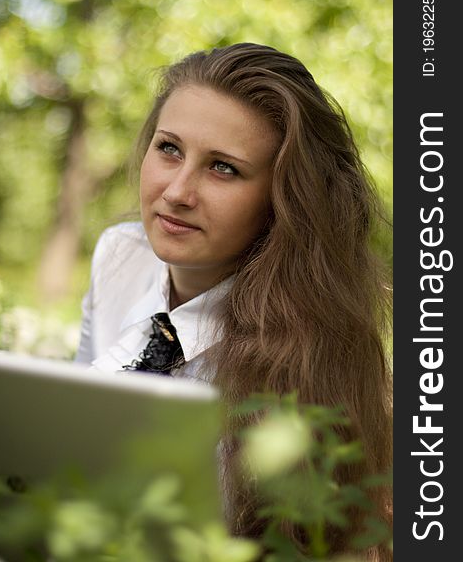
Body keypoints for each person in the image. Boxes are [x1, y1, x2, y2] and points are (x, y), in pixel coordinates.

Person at [75, 43, 392, 559]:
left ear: (282, 199)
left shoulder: (316, 358)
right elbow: (72, 417)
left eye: (223, 168)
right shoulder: (120, 257)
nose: (177, 191)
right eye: (170, 149)